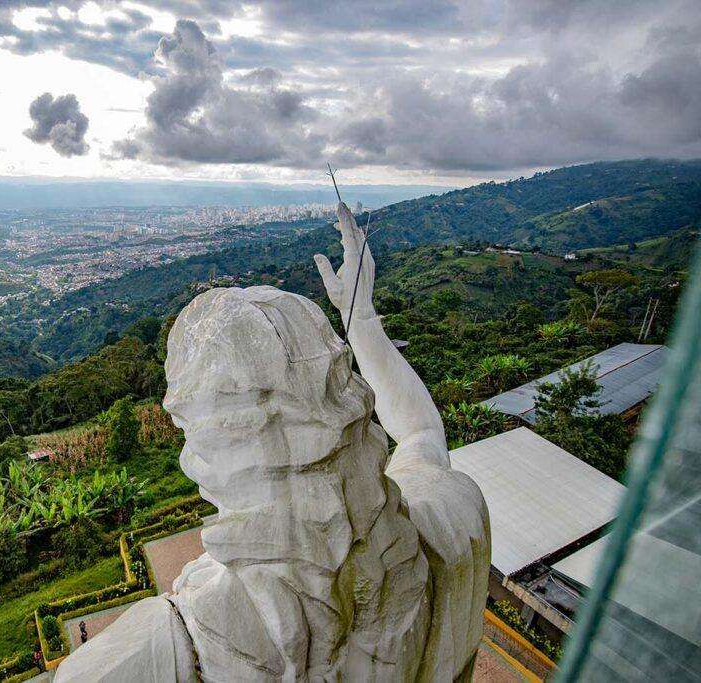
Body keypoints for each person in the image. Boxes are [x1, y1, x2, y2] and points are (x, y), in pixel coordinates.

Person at [55, 202, 490, 682]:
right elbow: (422, 435)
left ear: (206, 455)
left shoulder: (169, 649)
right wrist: (359, 318)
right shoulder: (446, 529)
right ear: (353, 417)